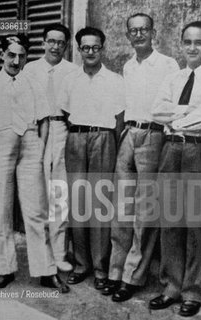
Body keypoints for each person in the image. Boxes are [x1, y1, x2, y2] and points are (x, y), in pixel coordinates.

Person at [0, 34, 69, 293]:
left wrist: (40, 151)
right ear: (3, 55)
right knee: (1, 211)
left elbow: (45, 119)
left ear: (26, 56)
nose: (16, 60)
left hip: (30, 144)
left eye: (21, 56)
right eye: (11, 55)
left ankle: (46, 271)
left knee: (35, 211)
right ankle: (5, 269)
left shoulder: (34, 83)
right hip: (0, 143)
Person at [149, 21, 201, 317]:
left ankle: (193, 292)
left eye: (199, 42)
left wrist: (176, 117)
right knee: (170, 220)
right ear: (181, 45)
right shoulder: (174, 79)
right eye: (187, 42)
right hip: (171, 149)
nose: (193, 48)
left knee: (199, 224)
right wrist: (184, 113)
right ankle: (171, 287)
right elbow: (156, 111)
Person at [102, 13, 179, 302]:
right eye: (133, 31)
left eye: (144, 29)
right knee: (121, 206)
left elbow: (174, 104)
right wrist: (122, 135)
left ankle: (133, 277)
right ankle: (115, 271)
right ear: (127, 36)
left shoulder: (168, 64)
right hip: (128, 135)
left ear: (153, 32)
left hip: (154, 135)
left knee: (145, 210)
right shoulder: (128, 66)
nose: (139, 35)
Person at [57, 27, 125, 290]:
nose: (90, 52)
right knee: (78, 202)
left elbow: (119, 118)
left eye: (95, 47)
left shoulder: (115, 80)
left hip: (103, 138)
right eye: (85, 47)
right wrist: (78, 136)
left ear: (102, 49)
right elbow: (64, 113)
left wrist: (112, 145)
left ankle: (100, 268)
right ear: (79, 50)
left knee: (99, 203)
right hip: (76, 138)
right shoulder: (70, 80)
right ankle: (81, 264)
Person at [24, 24, 78, 273]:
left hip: (62, 131)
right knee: (37, 195)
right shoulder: (30, 69)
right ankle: (40, 254)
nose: (55, 46)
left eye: (61, 42)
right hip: (35, 132)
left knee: (59, 195)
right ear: (43, 43)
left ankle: (59, 254)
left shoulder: (73, 71)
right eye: (51, 41)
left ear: (66, 46)